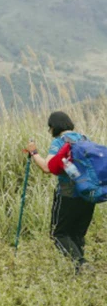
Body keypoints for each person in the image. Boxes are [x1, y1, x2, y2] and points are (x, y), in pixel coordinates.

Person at [26, 111, 96, 273]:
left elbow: (46, 167)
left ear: (53, 127)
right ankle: (81, 273)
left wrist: (34, 152)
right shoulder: (85, 139)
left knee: (59, 234)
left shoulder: (60, 142)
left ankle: (81, 264)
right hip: (89, 194)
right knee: (77, 234)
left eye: (49, 128)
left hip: (68, 195)